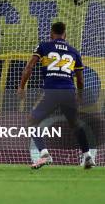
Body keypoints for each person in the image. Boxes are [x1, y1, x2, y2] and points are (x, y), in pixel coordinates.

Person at [18, 21, 94, 169]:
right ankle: (87, 156)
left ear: (51, 34)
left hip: (52, 92)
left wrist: (21, 87)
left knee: (31, 121)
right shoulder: (74, 51)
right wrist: (79, 96)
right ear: (65, 35)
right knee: (75, 123)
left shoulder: (43, 46)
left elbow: (29, 67)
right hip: (69, 92)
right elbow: (80, 79)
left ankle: (45, 154)